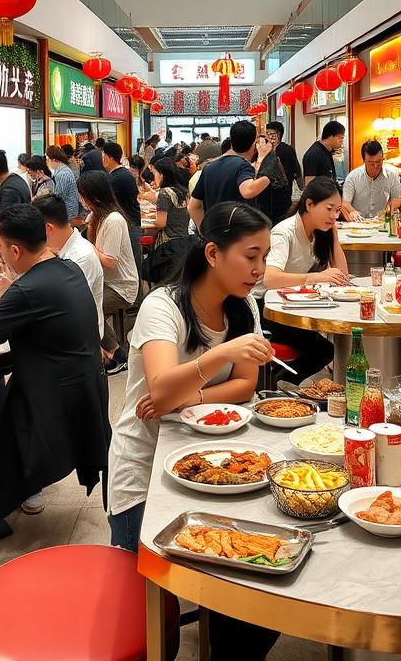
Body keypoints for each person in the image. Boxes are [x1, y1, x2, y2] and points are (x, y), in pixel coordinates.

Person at [106, 203, 279, 661]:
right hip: (143, 472)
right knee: (143, 607)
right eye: (251, 256)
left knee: (245, 592)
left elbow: (244, 386)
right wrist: (220, 358)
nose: (259, 269)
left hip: (214, 461)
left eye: (265, 257)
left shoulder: (242, 309)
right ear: (213, 254)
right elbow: (160, 389)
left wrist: (191, 398)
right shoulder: (161, 306)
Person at [0, 205, 109, 518]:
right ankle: (22, 488)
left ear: (15, 250)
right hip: (86, 388)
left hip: (52, 398)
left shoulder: (27, 288)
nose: (1, 255)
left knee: (2, 403)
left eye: (1, 249)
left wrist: (4, 301)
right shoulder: (68, 267)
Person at [258, 177, 349, 381]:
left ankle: (278, 382)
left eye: (338, 210)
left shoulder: (319, 233)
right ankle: (278, 383)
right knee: (324, 350)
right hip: (267, 308)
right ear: (309, 204)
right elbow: (269, 279)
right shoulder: (284, 232)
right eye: (330, 209)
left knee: (324, 349)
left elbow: (342, 274)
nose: (335, 215)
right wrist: (315, 277)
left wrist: (333, 234)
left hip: (290, 305)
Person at [79, 170, 140, 371]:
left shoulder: (113, 219)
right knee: (83, 303)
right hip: (107, 282)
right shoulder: (98, 216)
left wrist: (84, 244)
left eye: (82, 195)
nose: (81, 199)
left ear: (93, 196)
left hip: (122, 286)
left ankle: (118, 355)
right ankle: (112, 352)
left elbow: (109, 261)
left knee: (85, 308)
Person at [34, 195, 104, 341]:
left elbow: (68, 305)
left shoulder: (82, 256)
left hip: (80, 338)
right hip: (67, 329)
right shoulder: (59, 249)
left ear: (48, 228)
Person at [188, 120, 273, 228]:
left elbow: (193, 207)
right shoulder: (243, 166)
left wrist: (205, 232)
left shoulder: (209, 168)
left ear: (231, 141)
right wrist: (267, 170)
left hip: (216, 235)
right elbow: (248, 190)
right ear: (253, 145)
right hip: (239, 234)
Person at [142, 157, 192, 286]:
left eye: (155, 174)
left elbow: (161, 223)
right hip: (184, 243)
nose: (154, 177)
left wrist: (150, 220)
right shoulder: (182, 191)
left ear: (162, 174)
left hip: (168, 246)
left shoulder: (165, 193)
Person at [102, 143, 142, 274]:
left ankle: (136, 295)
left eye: (104, 155)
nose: (102, 159)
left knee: (130, 269)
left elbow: (107, 202)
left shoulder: (117, 177)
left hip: (129, 226)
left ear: (110, 158)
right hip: (130, 224)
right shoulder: (122, 174)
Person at [340, 140, 401, 222]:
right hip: (358, 222)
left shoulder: (392, 175)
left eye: (379, 162)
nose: (376, 166)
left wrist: (388, 210)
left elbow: (397, 198)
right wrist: (352, 211)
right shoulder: (353, 176)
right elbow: (345, 202)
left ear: (383, 158)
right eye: (371, 163)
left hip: (381, 222)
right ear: (364, 160)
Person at [266, 120, 302, 218]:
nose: (268, 136)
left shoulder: (287, 150)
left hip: (282, 194)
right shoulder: (265, 150)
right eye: (267, 134)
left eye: (271, 134)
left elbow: (294, 170)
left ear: (278, 134)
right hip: (266, 196)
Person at [46, 144, 83, 226]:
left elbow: (58, 196)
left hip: (67, 213)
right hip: (68, 211)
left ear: (54, 160)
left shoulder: (63, 174)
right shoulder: (61, 170)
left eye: (48, 159)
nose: (47, 162)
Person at [303, 120, 345, 185]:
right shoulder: (314, 154)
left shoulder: (327, 151)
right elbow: (309, 185)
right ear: (331, 137)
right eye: (341, 138)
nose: (342, 141)